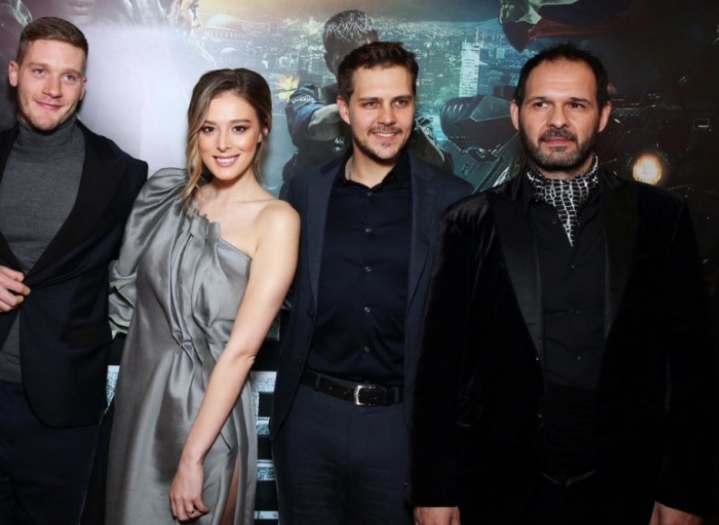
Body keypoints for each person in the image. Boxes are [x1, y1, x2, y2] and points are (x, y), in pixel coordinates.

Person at [411, 43, 717, 525]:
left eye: (576, 104)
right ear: (516, 114)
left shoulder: (662, 218)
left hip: (628, 485)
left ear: (603, 116)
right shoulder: (468, 223)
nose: (558, 120)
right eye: (541, 104)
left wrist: (685, 489)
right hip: (499, 483)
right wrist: (434, 489)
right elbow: (439, 367)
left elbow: (692, 362)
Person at [0, 17, 148, 524]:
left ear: (83, 86)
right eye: (40, 71)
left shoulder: (123, 174)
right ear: (14, 73)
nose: (53, 89)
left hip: (65, 407)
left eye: (68, 76)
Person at [271, 41, 472, 525]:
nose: (387, 117)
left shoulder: (454, 201)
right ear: (344, 109)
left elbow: (465, 343)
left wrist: (443, 469)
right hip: (309, 420)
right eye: (370, 103)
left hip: (401, 428)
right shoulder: (304, 192)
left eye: (400, 102)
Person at [104, 68, 299, 525]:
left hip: (207, 418)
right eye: (209, 128)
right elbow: (127, 299)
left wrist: (193, 457)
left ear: (263, 130)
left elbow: (242, 351)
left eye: (239, 128)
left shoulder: (276, 220)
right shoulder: (163, 197)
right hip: (140, 405)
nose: (223, 144)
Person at [280, 10, 452, 198]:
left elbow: (438, 166)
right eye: (348, 59)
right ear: (329, 62)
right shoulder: (310, 96)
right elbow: (314, 125)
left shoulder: (402, 107)